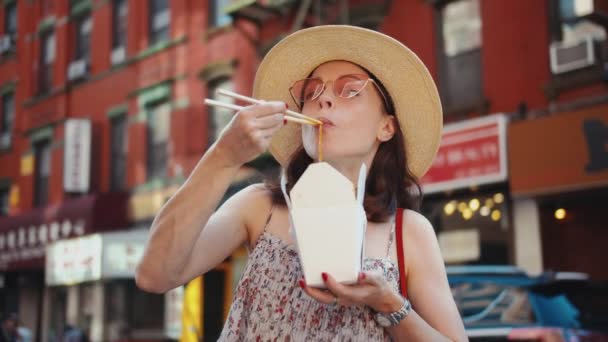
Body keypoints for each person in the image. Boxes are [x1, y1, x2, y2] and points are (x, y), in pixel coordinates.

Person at [136, 25, 467, 341]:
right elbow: (155, 275)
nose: (323, 100)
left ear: (386, 127)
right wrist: (224, 156)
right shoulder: (260, 207)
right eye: (312, 92)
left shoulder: (408, 231)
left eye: (350, 90)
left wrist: (389, 303)